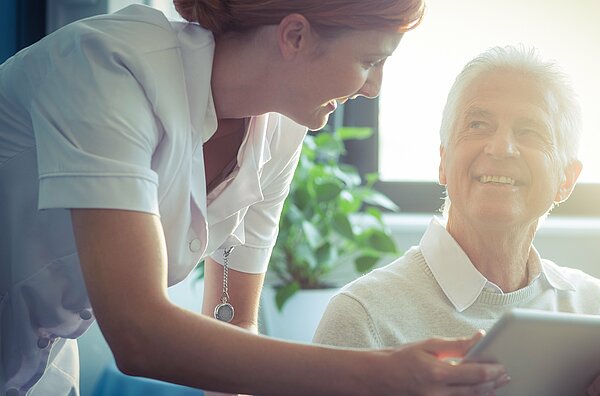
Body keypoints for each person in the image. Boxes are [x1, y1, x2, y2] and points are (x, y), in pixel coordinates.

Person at [0, 1, 511, 395]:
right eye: (369, 60)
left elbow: (232, 318)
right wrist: (381, 375)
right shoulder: (108, 71)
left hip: (38, 363)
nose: (374, 88)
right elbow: (139, 332)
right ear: (294, 35)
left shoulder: (280, 127)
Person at [314, 45, 600, 395]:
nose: (501, 148)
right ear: (443, 162)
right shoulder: (363, 317)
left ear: (566, 180)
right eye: (478, 125)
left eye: (530, 132)